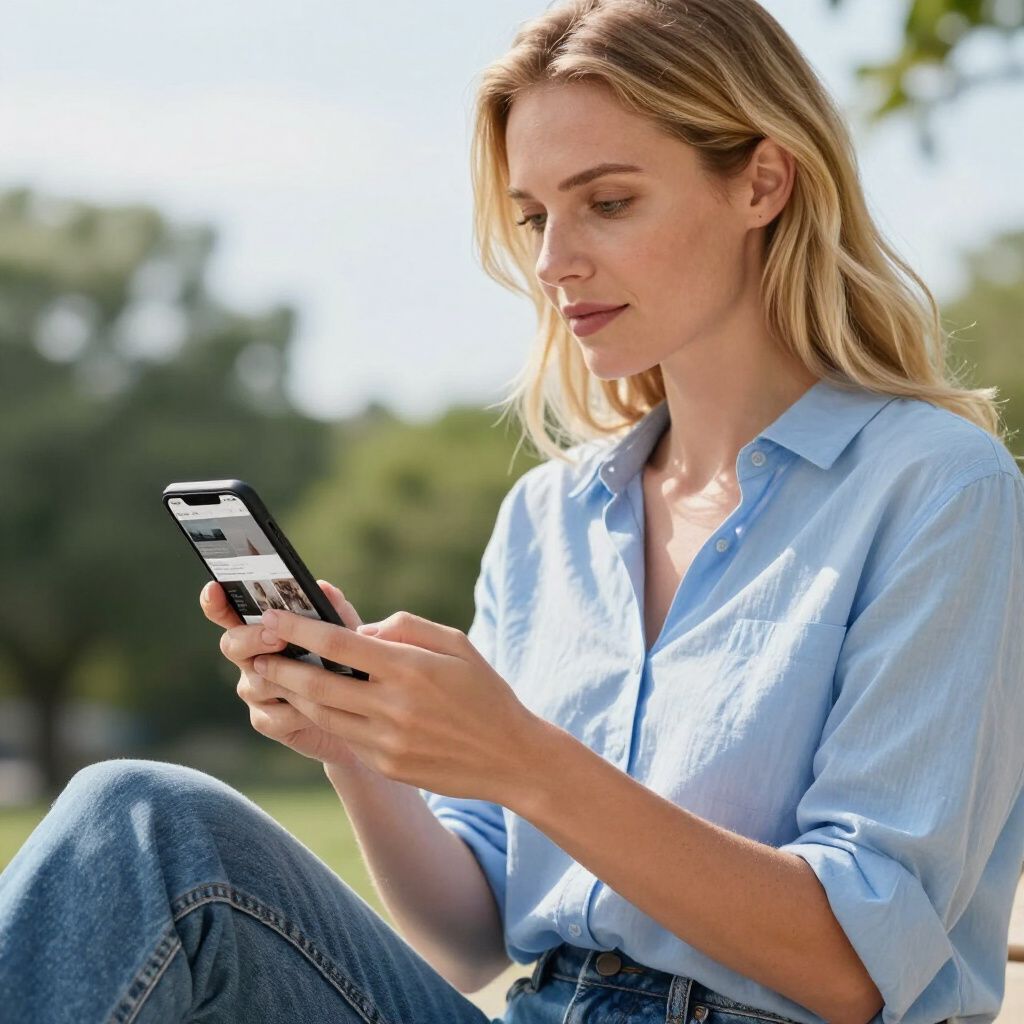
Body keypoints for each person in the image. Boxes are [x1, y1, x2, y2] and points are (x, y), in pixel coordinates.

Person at [1, 1, 1021, 1022]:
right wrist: (357, 745)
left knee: (138, 816)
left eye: (608, 202)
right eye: (534, 216)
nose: (552, 262)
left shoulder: (937, 488)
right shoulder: (552, 517)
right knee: (140, 822)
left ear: (760, 180)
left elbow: (854, 968)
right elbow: (467, 935)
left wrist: (523, 758)